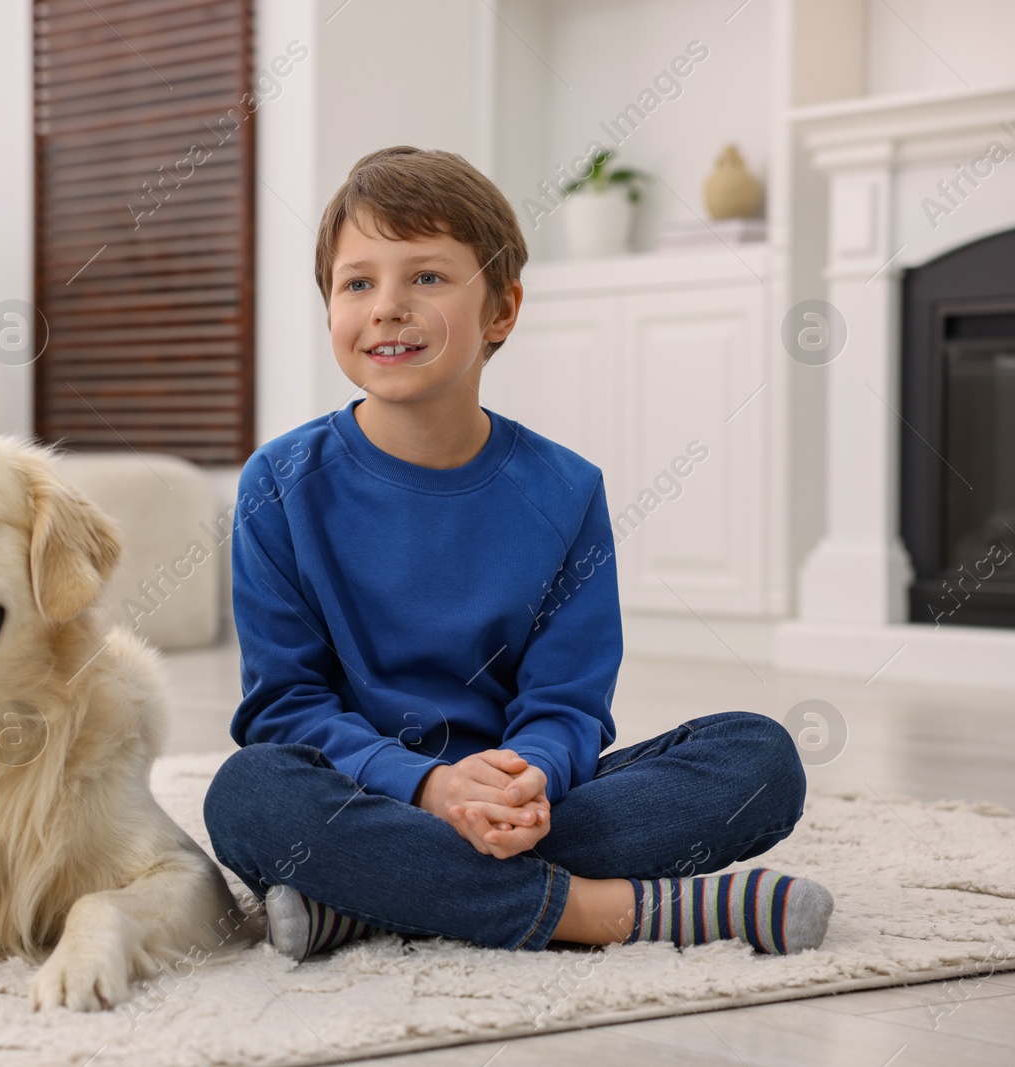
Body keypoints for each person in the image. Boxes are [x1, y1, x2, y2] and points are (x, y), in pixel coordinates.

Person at [202, 146, 833, 962]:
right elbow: (284, 709)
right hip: (361, 789)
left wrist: (527, 773)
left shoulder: (566, 490)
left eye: (426, 278)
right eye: (358, 283)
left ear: (502, 310)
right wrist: (428, 787)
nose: (387, 306)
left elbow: (568, 703)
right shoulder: (280, 484)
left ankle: (370, 901)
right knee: (250, 796)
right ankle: (618, 912)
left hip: (528, 799)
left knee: (760, 757)